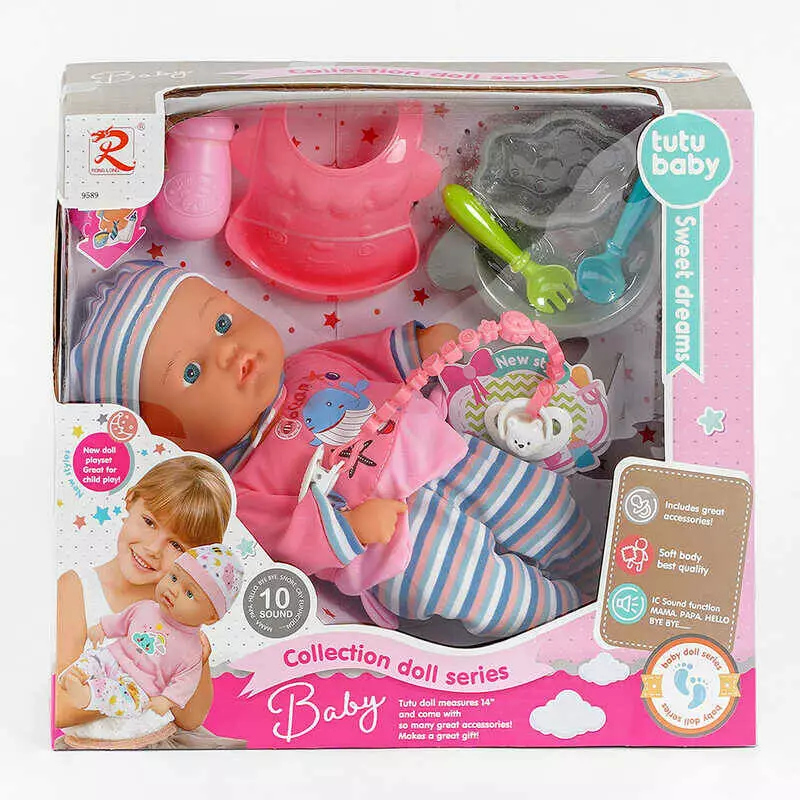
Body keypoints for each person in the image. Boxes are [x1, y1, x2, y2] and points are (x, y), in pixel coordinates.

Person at [70, 262, 599, 639]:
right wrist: (350, 530)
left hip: (449, 454)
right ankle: (575, 623)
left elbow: (374, 356)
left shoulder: (307, 363)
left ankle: (596, 555)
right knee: (485, 590)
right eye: (191, 372)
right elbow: (289, 539)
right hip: (398, 546)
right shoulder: (238, 491)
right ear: (172, 441)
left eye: (222, 323)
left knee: (541, 502)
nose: (230, 353)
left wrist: (423, 345)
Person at [55, 455, 231, 731]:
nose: (153, 549)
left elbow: (190, 720)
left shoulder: (181, 616)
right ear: (130, 499)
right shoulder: (76, 588)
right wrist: (145, 688)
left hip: (158, 746)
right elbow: (62, 708)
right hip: (91, 749)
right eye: (149, 522)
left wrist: (201, 660)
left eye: (177, 545)